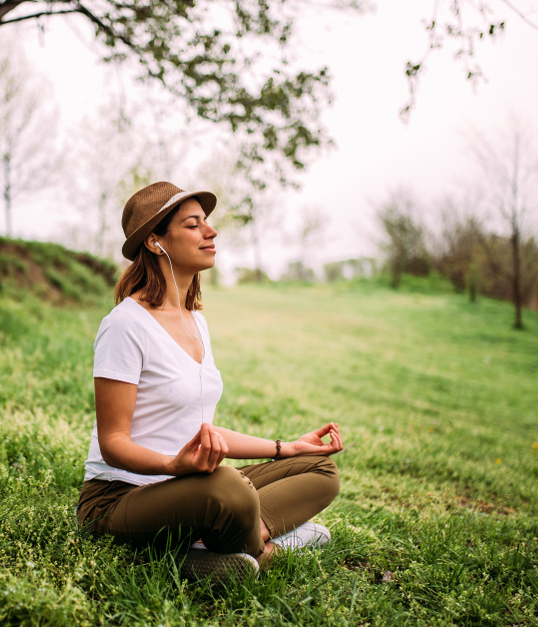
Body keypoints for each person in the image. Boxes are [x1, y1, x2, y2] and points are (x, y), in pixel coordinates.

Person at [77, 181, 343, 580]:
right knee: (227, 487)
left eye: (208, 223)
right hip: (121, 498)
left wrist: (284, 448)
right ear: (155, 241)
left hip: (191, 485)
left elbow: (202, 430)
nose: (211, 231)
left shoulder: (195, 321)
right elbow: (113, 443)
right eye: (193, 224)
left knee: (319, 469)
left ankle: (214, 547)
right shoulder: (125, 325)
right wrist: (174, 465)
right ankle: (262, 549)